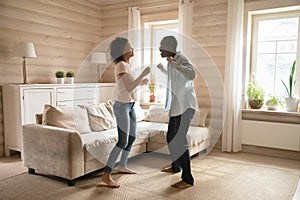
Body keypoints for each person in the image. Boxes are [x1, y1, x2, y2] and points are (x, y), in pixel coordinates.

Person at [101, 37, 150, 188]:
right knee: (122, 141)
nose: (133, 48)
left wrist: (141, 82)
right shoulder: (121, 65)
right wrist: (143, 74)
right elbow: (129, 87)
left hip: (130, 104)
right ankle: (106, 174)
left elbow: (129, 85)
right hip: (121, 106)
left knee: (132, 136)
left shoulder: (127, 65)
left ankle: (122, 165)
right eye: (130, 46)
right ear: (123, 50)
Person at [157, 36, 197, 188]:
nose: (160, 49)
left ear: (169, 47)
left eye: (161, 46)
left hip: (186, 106)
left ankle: (188, 179)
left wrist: (173, 65)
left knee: (180, 141)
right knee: (170, 138)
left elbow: (191, 75)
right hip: (176, 107)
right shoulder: (172, 62)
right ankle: (176, 166)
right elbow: (177, 79)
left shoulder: (181, 59)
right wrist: (164, 70)